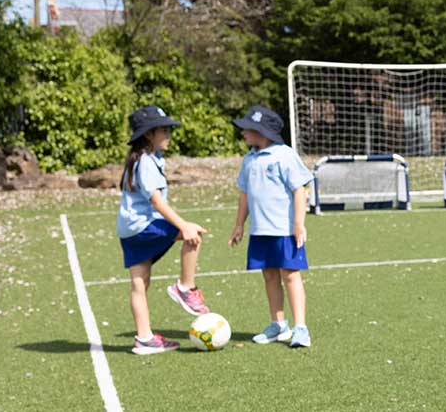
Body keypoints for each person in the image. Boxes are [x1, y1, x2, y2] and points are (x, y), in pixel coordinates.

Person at [115, 105, 211, 355]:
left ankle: (144, 338)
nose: (168, 134)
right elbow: (156, 201)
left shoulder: (145, 159)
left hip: (128, 229)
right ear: (149, 135)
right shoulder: (146, 162)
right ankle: (185, 288)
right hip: (143, 226)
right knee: (193, 236)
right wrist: (183, 226)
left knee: (139, 283)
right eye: (164, 130)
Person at [227, 105, 314, 348]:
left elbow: (300, 190)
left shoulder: (284, 155)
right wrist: (238, 225)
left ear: (262, 131)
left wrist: (299, 223)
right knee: (269, 276)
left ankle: (301, 328)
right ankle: (278, 325)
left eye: (247, 128)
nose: (243, 132)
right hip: (260, 231)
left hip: (284, 231)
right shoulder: (249, 159)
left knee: (290, 275)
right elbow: (244, 193)